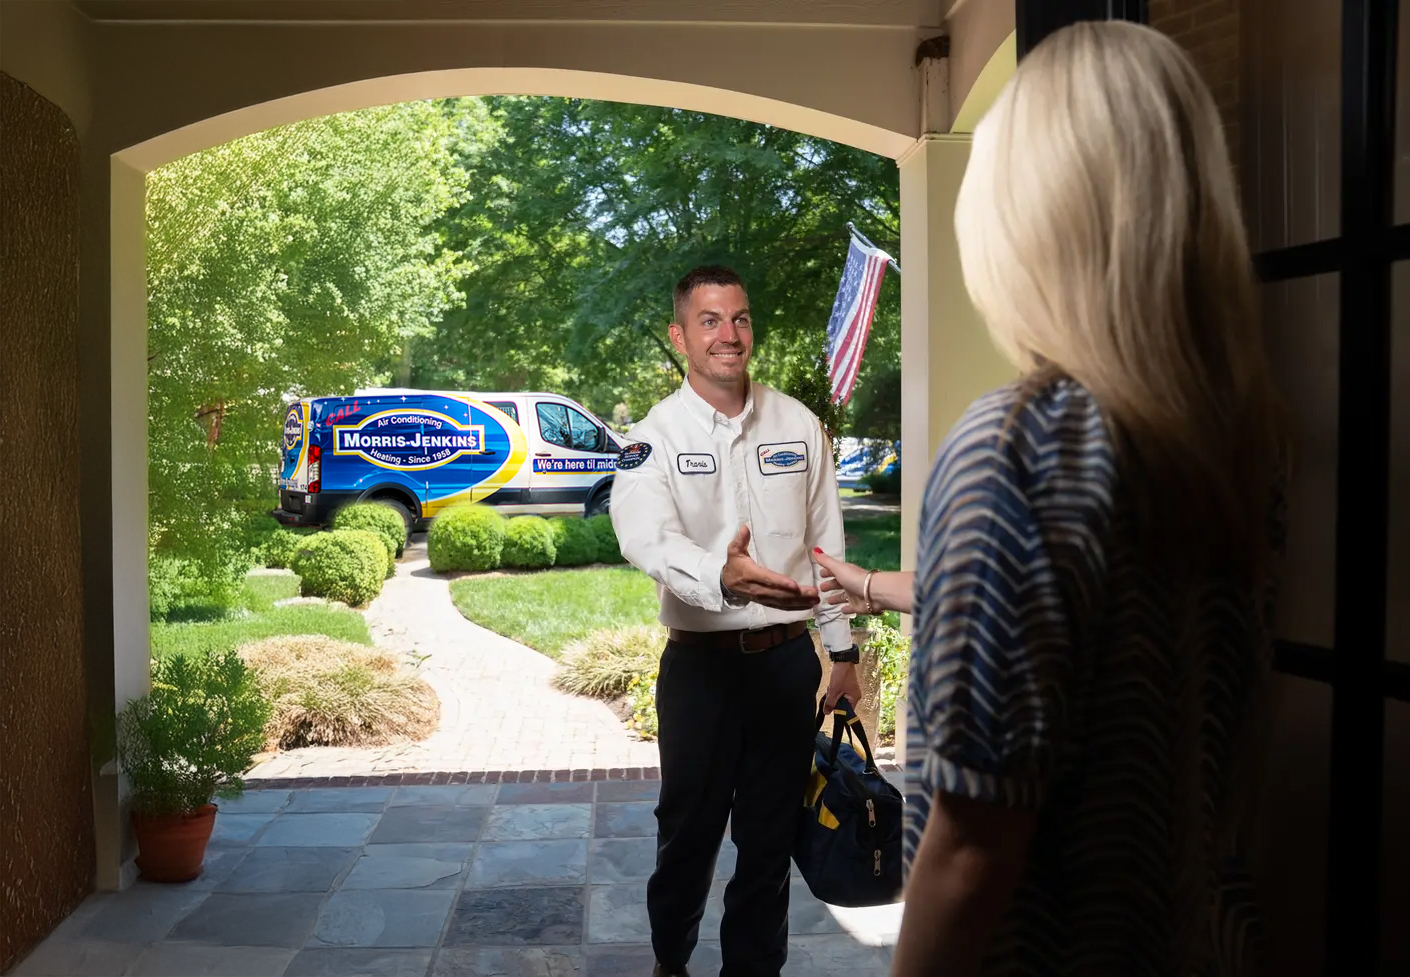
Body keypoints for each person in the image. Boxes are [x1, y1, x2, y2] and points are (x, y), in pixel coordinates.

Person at [814, 22, 1285, 977]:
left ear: (1031, 216)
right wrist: (864, 583)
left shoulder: (1019, 444)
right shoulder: (1230, 446)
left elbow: (973, 845)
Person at [610, 265, 863, 977]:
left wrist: (841, 655)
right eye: (711, 320)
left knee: (769, 839)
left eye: (741, 318)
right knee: (686, 836)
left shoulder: (798, 424)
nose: (730, 334)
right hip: (701, 672)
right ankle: (670, 962)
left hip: (787, 667)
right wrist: (717, 573)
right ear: (680, 335)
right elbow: (643, 535)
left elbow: (827, 548)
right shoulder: (650, 436)